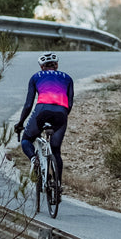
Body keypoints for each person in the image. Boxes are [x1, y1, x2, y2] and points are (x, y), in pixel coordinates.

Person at [11, 52, 74, 181]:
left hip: (42, 110)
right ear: (56, 65)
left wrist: (20, 122)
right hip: (61, 112)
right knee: (56, 150)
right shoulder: (68, 78)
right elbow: (70, 103)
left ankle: (34, 160)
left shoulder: (35, 77)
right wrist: (61, 119)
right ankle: (58, 186)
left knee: (26, 140)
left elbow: (28, 104)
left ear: (42, 67)